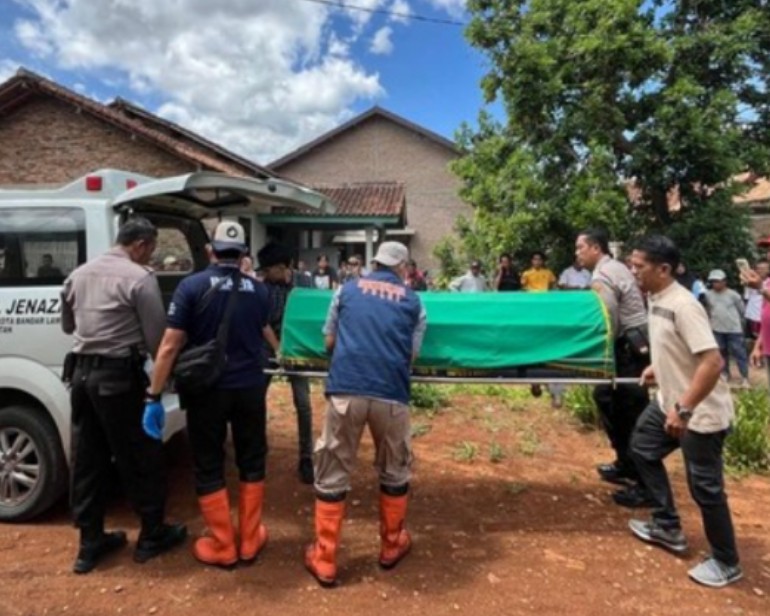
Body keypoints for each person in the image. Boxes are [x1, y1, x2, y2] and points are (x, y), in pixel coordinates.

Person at [143, 221, 280, 568]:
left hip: (208, 391)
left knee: (208, 462)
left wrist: (153, 396)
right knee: (252, 459)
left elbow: (170, 346)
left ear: (211, 251)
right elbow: (263, 330)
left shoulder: (191, 287)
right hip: (250, 388)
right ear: (244, 254)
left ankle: (222, 544)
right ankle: (249, 540)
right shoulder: (260, 290)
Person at [60, 217, 186, 574]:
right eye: (152, 249)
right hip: (118, 378)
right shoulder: (139, 278)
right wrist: (163, 379)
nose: (152, 256)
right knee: (140, 455)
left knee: (88, 458)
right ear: (142, 244)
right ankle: (151, 534)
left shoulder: (79, 274)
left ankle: (89, 543)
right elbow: (156, 339)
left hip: (81, 378)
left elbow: (68, 326)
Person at [305, 241, 427, 588]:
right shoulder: (414, 302)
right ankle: (391, 546)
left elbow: (329, 342)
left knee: (332, 469)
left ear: (374, 263)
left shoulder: (345, 291)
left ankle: (325, 558)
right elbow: (411, 356)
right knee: (394, 470)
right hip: (391, 395)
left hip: (346, 390)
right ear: (404, 267)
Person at [628, 235, 742, 588]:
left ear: (663, 269)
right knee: (642, 448)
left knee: (705, 489)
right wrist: (657, 368)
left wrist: (684, 408)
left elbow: (712, 361)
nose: (633, 272)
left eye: (639, 266)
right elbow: (675, 346)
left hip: (699, 413)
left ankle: (727, 561)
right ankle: (666, 525)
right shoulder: (656, 298)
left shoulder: (683, 304)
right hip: (669, 401)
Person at [575, 229, 652, 508]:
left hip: (627, 348)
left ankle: (645, 484)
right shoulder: (614, 268)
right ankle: (625, 463)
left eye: (580, 247)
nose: (577, 253)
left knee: (631, 410)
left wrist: (594, 352)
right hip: (630, 344)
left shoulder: (603, 275)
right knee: (606, 397)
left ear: (596, 248)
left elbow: (608, 319)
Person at [257, 241, 315, 484]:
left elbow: (311, 317)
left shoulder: (305, 284)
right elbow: (261, 322)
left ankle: (306, 458)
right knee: (256, 398)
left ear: (281, 267)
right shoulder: (262, 288)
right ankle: (258, 451)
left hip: (297, 351)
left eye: (267, 269)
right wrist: (277, 348)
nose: (263, 273)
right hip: (268, 347)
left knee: (303, 404)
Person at [705, 269, 749, 387]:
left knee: (739, 352)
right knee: (721, 352)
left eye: (718, 281)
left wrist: (742, 324)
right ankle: (725, 373)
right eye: (713, 281)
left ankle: (744, 377)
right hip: (717, 328)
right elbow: (709, 309)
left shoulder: (733, 295)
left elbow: (742, 310)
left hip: (734, 329)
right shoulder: (708, 295)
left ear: (724, 282)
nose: (716, 284)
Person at [743, 259, 769, 338]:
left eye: (763, 268)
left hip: (764, 317)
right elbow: (746, 298)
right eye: (758, 268)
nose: (760, 271)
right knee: (752, 340)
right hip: (752, 316)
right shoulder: (750, 283)